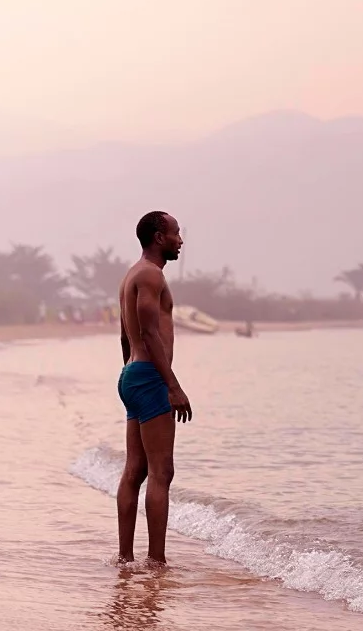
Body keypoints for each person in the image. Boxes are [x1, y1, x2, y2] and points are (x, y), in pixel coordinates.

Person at [116, 212, 194, 565]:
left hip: (133, 374)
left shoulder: (133, 274)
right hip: (148, 377)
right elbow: (148, 332)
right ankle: (156, 561)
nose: (181, 240)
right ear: (160, 236)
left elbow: (124, 335)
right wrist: (172, 386)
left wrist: (130, 375)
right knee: (162, 472)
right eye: (177, 233)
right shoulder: (150, 275)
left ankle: (125, 558)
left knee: (135, 470)